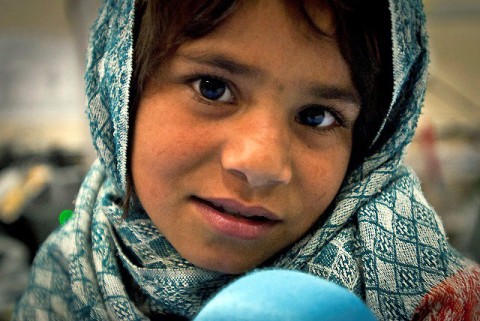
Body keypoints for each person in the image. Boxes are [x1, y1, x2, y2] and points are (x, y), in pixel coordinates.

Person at [14, 0, 480, 320]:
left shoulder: (439, 299)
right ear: (121, 93)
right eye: (212, 87)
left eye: (317, 116)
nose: (259, 163)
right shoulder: (69, 274)